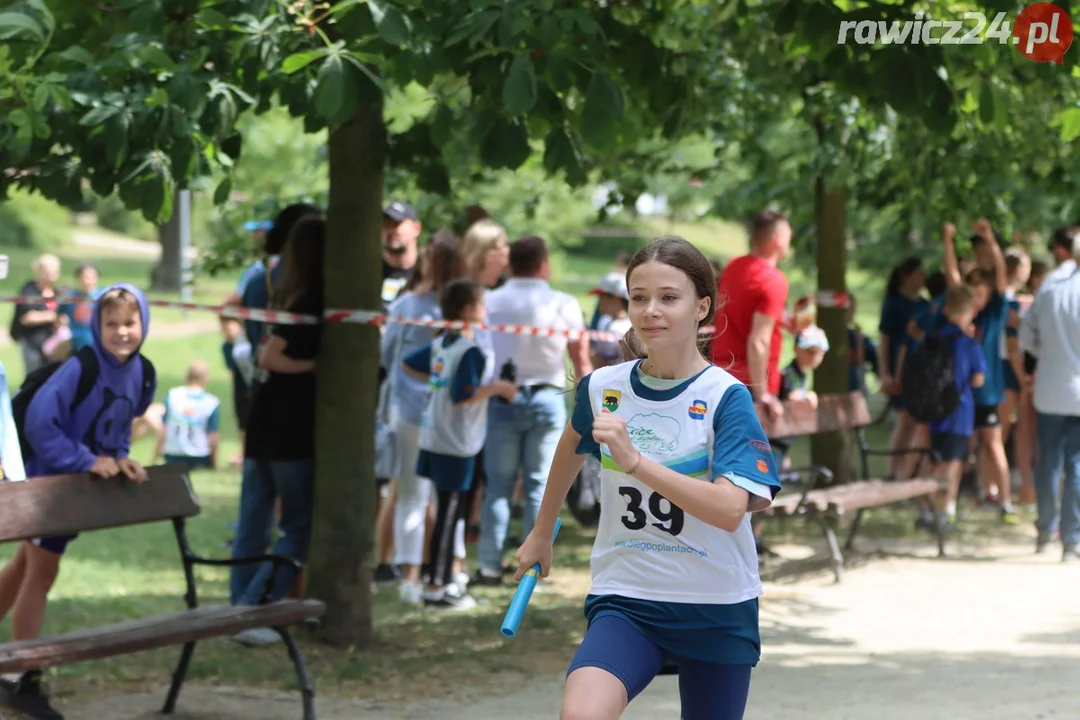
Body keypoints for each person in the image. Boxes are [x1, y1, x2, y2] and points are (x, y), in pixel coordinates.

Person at [515, 236, 781, 720]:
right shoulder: (604, 386)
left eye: (668, 297)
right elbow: (573, 443)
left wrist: (636, 463)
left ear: (702, 308)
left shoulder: (726, 397)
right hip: (628, 596)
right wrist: (541, 530)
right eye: (639, 297)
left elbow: (728, 509)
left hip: (714, 603)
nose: (650, 310)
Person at [0, 284, 154, 720]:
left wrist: (121, 460)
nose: (122, 332)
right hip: (50, 486)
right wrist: (85, 459)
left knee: (26, 566)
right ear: (96, 325)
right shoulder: (79, 367)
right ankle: (18, 677)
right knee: (41, 573)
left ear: (144, 322)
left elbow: (119, 424)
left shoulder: (142, 372)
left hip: (78, 485)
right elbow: (39, 424)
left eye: (130, 322)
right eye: (112, 324)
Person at [230, 213, 324, 647]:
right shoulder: (310, 301)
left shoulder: (289, 294)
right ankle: (253, 607)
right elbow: (271, 357)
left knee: (254, 517)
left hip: (265, 423)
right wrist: (313, 366)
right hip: (289, 429)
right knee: (297, 527)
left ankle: (237, 609)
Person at [475, 236, 591, 585]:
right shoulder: (563, 302)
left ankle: (488, 565)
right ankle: (533, 566)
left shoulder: (489, 300)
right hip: (547, 396)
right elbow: (581, 358)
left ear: (510, 264)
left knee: (498, 486)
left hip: (502, 396)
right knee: (540, 483)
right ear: (544, 264)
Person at [403, 279, 518, 609]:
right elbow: (462, 396)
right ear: (469, 310)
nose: (485, 311)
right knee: (450, 514)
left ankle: (442, 580)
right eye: (481, 305)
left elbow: (408, 363)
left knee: (445, 513)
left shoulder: (442, 343)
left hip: (435, 434)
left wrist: (438, 386)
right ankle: (437, 587)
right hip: (457, 442)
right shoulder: (470, 351)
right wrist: (498, 388)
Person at [381, 241, 467, 603]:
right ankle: (455, 568)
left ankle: (411, 578)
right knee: (449, 495)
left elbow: (387, 355)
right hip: (451, 416)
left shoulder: (405, 305)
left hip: (410, 410)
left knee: (411, 496)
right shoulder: (465, 308)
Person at [944, 220, 1015, 521]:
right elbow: (951, 276)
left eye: (983, 289)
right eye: (974, 289)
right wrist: (948, 240)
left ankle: (1006, 501)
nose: (979, 294)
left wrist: (990, 239)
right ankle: (949, 503)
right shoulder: (961, 314)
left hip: (986, 393)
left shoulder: (995, 314)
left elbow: (1000, 272)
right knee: (960, 449)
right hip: (960, 394)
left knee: (992, 443)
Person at [1021, 226, 1080, 559]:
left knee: (1049, 464)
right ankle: (1071, 539)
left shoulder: (1049, 290)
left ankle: (1046, 530)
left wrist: (1034, 365)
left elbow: (1027, 336)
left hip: (1050, 389)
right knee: (1076, 466)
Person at [710, 210, 792, 422]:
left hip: (719, 376)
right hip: (750, 386)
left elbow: (740, 309)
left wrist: (780, 320)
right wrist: (763, 394)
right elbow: (758, 341)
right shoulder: (773, 281)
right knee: (758, 454)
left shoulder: (734, 266)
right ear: (778, 239)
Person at [926, 285, 987, 525]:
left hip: (934, 411)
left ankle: (932, 506)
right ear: (971, 310)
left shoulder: (935, 337)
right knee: (952, 462)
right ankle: (940, 510)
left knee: (937, 459)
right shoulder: (969, 343)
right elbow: (979, 379)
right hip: (959, 411)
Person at [878, 257, 929, 480]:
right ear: (906, 277)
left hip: (920, 373)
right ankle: (892, 470)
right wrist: (885, 373)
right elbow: (884, 340)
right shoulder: (894, 304)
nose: (922, 279)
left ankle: (905, 472)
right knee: (904, 421)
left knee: (913, 423)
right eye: (918, 274)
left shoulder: (925, 306)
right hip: (902, 372)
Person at [155, 360, 221, 470]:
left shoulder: (172, 396)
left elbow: (163, 431)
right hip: (200, 456)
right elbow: (213, 437)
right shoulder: (211, 402)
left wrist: (155, 457)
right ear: (206, 378)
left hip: (173, 456)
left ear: (186, 376)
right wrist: (214, 464)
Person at [10, 254, 63, 376]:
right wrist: (52, 316)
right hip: (32, 343)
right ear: (39, 271)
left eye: (54, 270)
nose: (52, 273)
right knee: (34, 380)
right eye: (48, 270)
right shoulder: (29, 290)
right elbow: (26, 317)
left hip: (54, 346)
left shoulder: (58, 292)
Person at [588, 272, 633, 369]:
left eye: (602, 297)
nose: (599, 302)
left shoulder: (616, 328)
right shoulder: (631, 322)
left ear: (615, 299)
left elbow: (600, 363)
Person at [59, 263, 101, 353]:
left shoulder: (103, 297)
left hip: (98, 345)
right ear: (77, 278)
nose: (86, 281)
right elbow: (58, 314)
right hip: (74, 345)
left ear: (96, 278)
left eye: (89, 277)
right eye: (83, 277)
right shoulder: (70, 297)